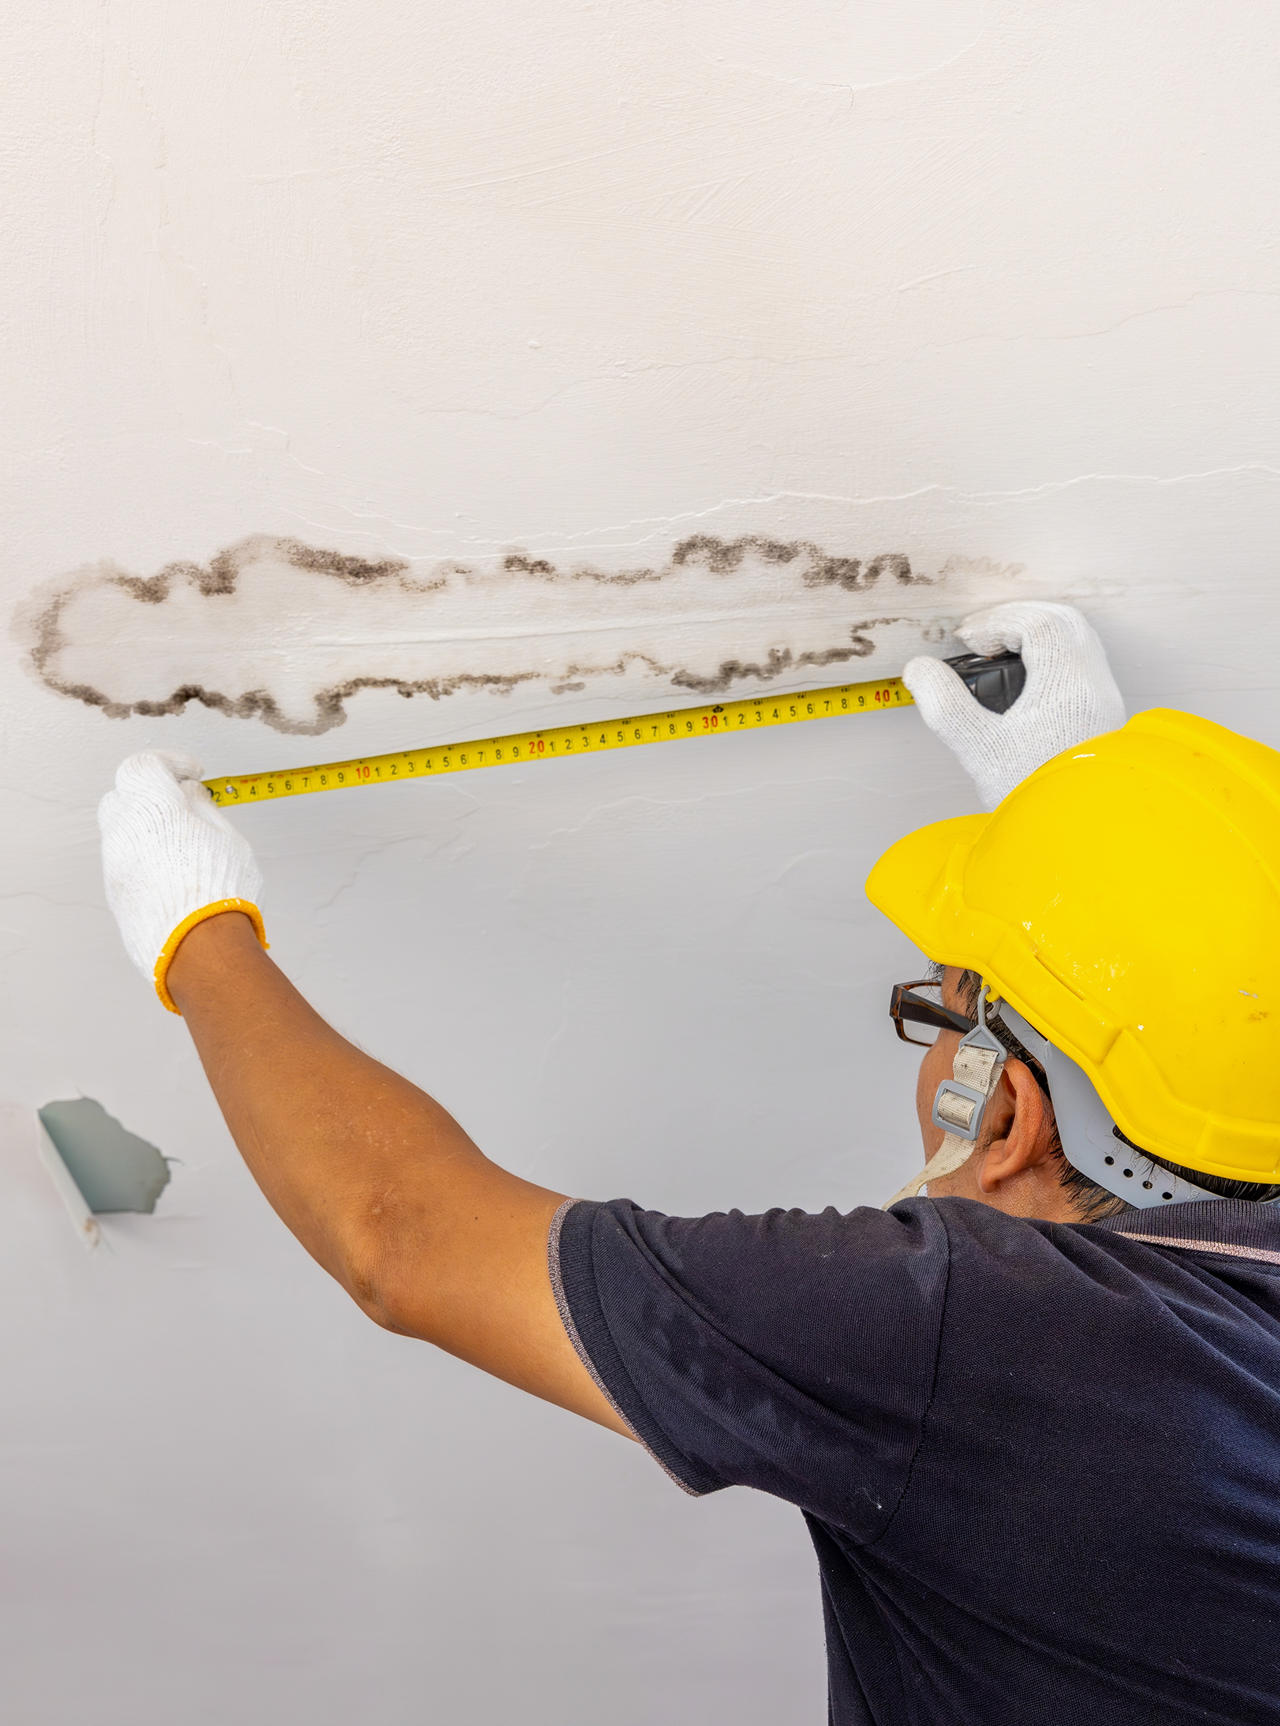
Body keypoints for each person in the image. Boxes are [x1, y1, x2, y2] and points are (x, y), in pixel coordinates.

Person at [97, 603, 1280, 1725]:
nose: (926, 1036)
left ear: (1007, 1111)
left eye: (937, 1012)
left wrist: (196, 935)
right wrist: (1087, 835)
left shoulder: (980, 1337)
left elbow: (399, 1237)